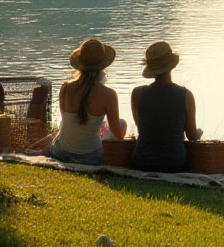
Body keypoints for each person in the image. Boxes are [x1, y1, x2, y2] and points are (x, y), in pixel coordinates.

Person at [31, 38, 127, 165]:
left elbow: (67, 123)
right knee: (122, 123)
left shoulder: (65, 87)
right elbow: (118, 134)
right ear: (103, 67)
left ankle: (40, 151)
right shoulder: (109, 94)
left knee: (63, 129)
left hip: (61, 153)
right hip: (92, 157)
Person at [131, 41, 202, 172]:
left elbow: (141, 126)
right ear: (171, 67)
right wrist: (200, 132)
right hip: (174, 163)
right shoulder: (186, 95)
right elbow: (192, 135)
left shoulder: (137, 93)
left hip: (142, 161)